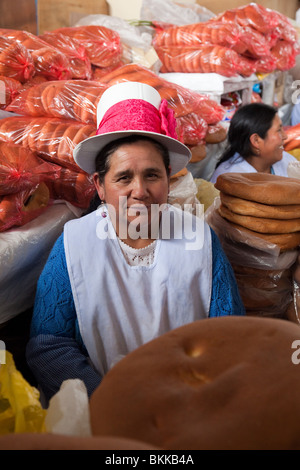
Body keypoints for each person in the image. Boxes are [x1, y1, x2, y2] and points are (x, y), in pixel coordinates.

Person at [26, 81, 245, 402]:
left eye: (152, 175)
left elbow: (229, 334)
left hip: (189, 402)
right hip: (102, 410)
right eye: (124, 177)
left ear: (168, 180)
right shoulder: (75, 244)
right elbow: (50, 344)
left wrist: (192, 395)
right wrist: (108, 401)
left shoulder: (199, 239)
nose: (139, 190)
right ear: (100, 185)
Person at [210, 102, 297, 184]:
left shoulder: (287, 161)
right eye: (278, 130)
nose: (285, 136)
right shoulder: (231, 179)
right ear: (256, 141)